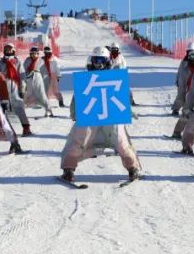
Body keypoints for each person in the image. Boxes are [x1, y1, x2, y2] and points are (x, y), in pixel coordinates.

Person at [60, 46, 141, 183]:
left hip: (111, 116)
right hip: (90, 116)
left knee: (121, 141)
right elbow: (77, 98)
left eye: (101, 61)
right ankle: (68, 169)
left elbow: (121, 97)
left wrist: (128, 111)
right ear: (91, 61)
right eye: (96, 61)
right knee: (79, 140)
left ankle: (133, 168)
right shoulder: (87, 79)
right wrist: (75, 113)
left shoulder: (113, 78)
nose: (99, 64)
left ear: (108, 62)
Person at [0, 43, 32, 135]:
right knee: (1, 109)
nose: (7, 51)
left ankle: (26, 127)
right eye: (6, 49)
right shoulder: (1, 63)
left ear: (13, 50)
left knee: (19, 107)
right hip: (3, 87)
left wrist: (22, 89)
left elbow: (22, 76)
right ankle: (3, 130)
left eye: (9, 49)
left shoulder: (17, 62)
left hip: (14, 87)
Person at [22, 46, 54, 118]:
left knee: (41, 94)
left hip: (38, 77)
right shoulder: (27, 60)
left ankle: (48, 110)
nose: (33, 55)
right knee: (26, 94)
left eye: (35, 53)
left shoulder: (40, 61)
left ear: (37, 54)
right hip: (29, 78)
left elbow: (44, 70)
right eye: (32, 54)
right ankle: (22, 111)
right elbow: (24, 69)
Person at [172, 43, 194, 116]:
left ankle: (189, 109)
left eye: (191, 51)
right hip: (183, 78)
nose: (190, 53)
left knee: (192, 94)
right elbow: (180, 71)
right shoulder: (184, 61)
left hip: (193, 78)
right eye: (189, 51)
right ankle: (175, 109)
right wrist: (177, 79)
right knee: (181, 94)